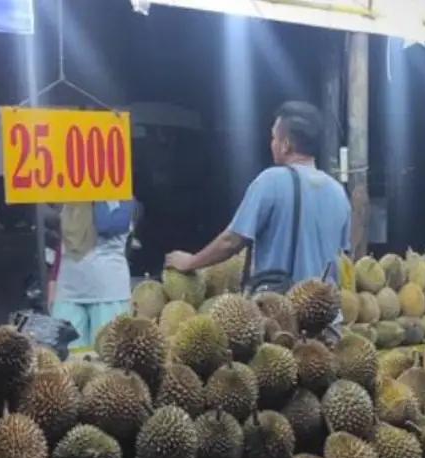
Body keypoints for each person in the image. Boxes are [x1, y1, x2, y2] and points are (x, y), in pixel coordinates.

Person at [165, 101, 350, 300]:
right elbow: (343, 259)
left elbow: (231, 241)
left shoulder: (271, 181)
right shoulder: (339, 193)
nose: (271, 144)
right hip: (327, 315)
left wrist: (190, 262)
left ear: (285, 144)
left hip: (283, 314)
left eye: (273, 137)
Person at [45, 198, 140, 348]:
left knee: (108, 359)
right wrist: (52, 283)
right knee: (68, 361)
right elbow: (61, 245)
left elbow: (106, 224)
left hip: (109, 294)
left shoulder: (123, 198)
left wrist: (93, 195)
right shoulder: (69, 195)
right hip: (68, 293)